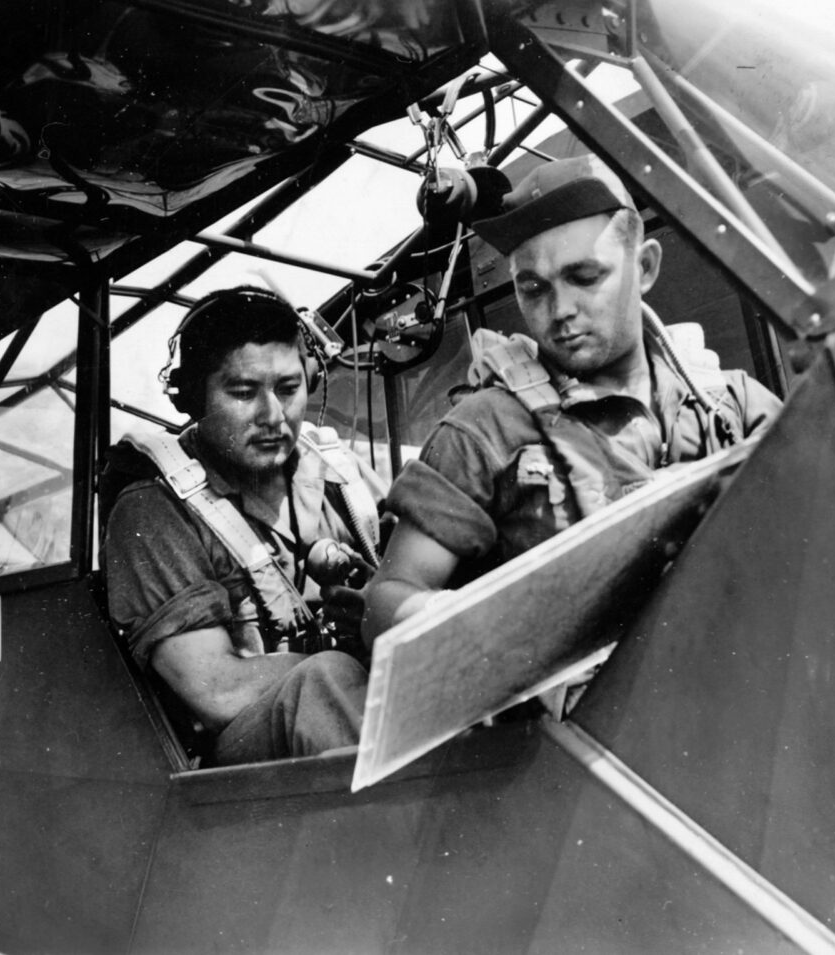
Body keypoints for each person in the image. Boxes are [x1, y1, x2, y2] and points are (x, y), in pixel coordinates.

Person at [362, 155, 782, 645]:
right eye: (533, 289)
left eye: (584, 277)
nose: (559, 311)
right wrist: (504, 624)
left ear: (644, 267)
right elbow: (387, 600)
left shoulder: (728, 404)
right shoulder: (484, 432)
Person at [101, 285, 383, 766]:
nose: (273, 416)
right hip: (238, 770)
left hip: (351, 722)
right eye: (244, 392)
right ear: (195, 397)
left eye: (289, 389)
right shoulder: (154, 512)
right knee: (323, 681)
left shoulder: (339, 473)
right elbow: (216, 692)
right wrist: (356, 667)